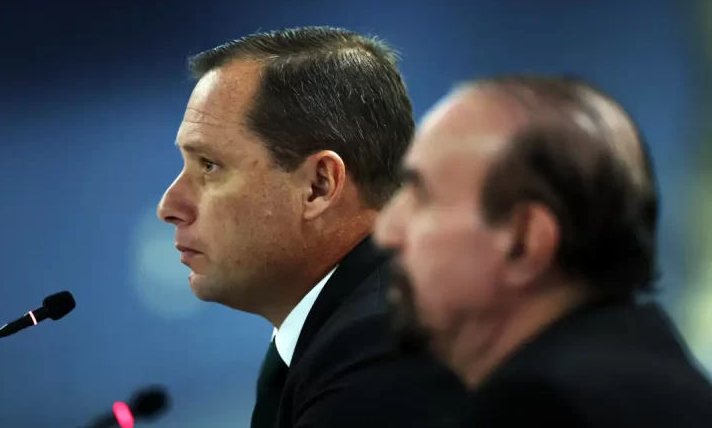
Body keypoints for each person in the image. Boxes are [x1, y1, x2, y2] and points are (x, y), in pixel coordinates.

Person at [157, 26, 463, 428]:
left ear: (319, 186)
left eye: (209, 166)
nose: (169, 207)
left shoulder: (379, 354)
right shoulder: (354, 327)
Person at [374, 74, 712, 427]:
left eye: (422, 196)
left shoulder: (538, 407)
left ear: (524, 243)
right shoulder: (661, 379)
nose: (386, 233)